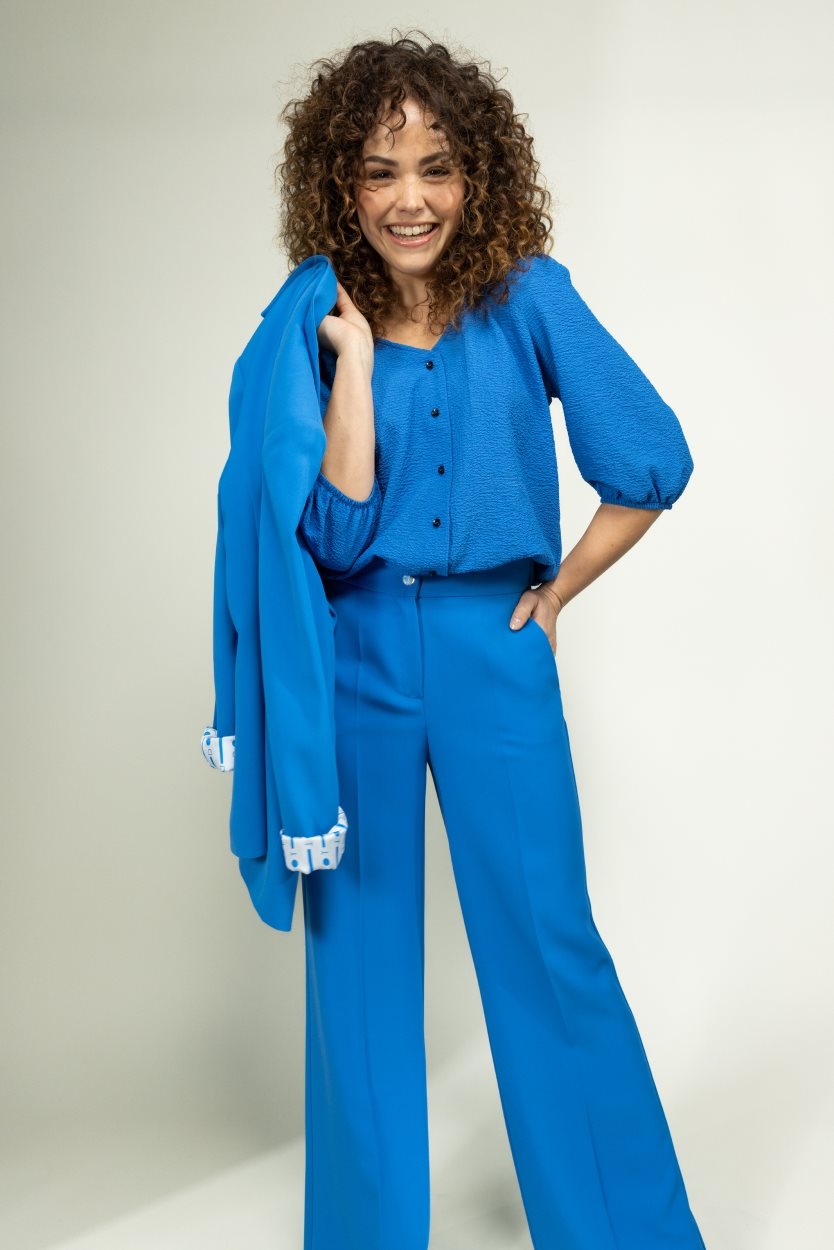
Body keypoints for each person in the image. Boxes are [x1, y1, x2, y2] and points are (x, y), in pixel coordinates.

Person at [276, 33, 707, 1250]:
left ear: (478, 175)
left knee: (546, 943)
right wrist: (354, 367)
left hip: (492, 646)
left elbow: (650, 458)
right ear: (342, 185)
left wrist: (558, 591)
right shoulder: (314, 316)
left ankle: (624, 1233)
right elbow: (329, 532)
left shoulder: (530, 297)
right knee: (355, 961)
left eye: (437, 166)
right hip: (355, 651)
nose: (409, 197)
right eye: (379, 170)